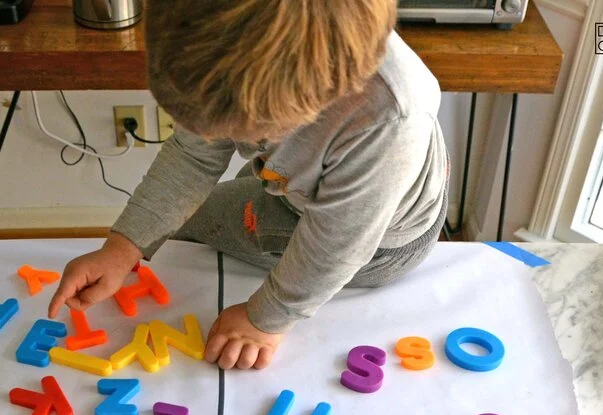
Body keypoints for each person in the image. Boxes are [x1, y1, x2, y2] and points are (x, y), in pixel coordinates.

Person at [49, 0, 449, 370]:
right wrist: (121, 251)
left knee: (190, 224)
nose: (212, 138)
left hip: (378, 243)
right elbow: (192, 156)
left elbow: (336, 247)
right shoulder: (250, 53)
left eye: (235, 131)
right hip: (314, 187)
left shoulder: (389, 119)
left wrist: (266, 319)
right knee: (172, 215)